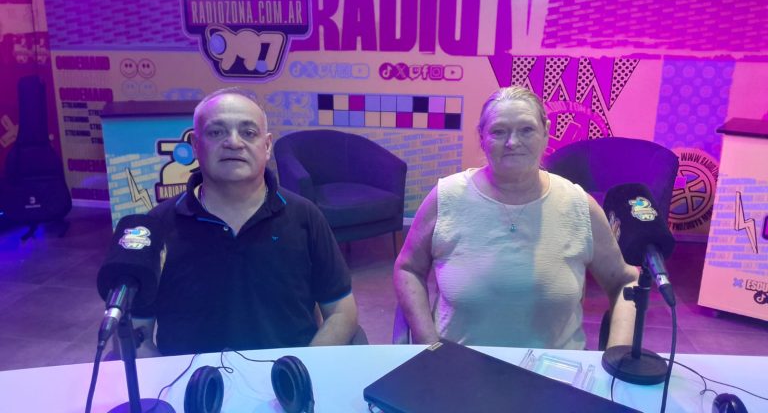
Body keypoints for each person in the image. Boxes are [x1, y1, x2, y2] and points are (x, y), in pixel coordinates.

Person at [393, 86, 638, 349]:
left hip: (553, 368)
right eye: (499, 131)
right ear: (482, 138)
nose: (512, 142)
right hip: (458, 365)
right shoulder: (446, 197)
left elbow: (625, 280)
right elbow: (408, 269)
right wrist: (428, 344)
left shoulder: (579, 206)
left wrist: (618, 352)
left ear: (546, 132)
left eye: (526, 130)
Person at [131, 87, 358, 356]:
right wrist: (168, 381)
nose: (234, 142)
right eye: (217, 132)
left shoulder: (305, 217)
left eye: (248, 133)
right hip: (191, 379)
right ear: (195, 144)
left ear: (267, 145)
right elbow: (135, 331)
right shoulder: (156, 225)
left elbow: (341, 311)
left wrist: (304, 369)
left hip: (286, 376)